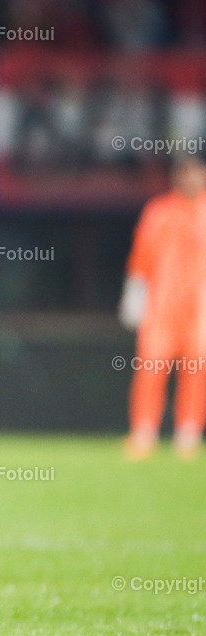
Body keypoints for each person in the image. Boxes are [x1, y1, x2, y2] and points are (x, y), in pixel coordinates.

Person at [120, 154, 206, 460]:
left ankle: (188, 434)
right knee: (151, 369)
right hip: (161, 307)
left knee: (197, 370)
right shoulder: (159, 211)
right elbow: (142, 254)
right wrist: (135, 294)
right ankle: (144, 432)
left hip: (200, 309)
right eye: (186, 174)